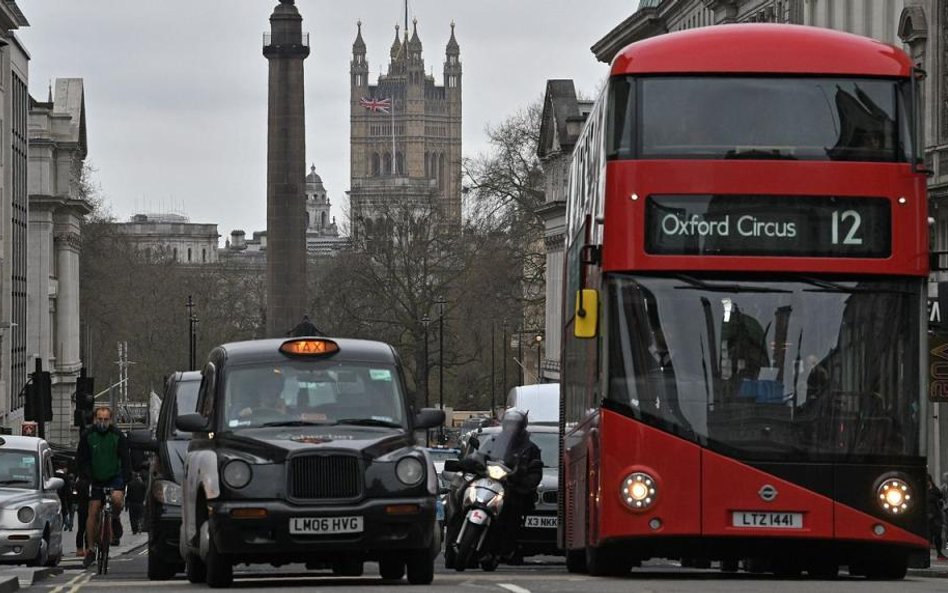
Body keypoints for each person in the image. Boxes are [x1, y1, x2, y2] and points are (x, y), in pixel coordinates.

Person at [478, 408, 543, 563]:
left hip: (515, 489)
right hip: (492, 485)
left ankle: (506, 548)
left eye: (515, 425)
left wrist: (523, 481)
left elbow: (535, 472)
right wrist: (475, 464)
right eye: (509, 424)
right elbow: (482, 455)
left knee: (511, 512)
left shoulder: (530, 448)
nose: (511, 428)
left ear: (521, 426)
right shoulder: (494, 441)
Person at [76, 406, 132, 568]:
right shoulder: (88, 435)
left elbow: (125, 458)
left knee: (116, 500)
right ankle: (91, 548)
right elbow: (82, 459)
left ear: (111, 420)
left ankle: (114, 518)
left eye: (105, 419)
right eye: (99, 419)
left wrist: (126, 478)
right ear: (94, 419)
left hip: (115, 476)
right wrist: (86, 477)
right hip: (95, 478)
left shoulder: (118, 436)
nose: (102, 422)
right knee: (93, 511)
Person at [928, 474, 946, 560]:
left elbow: (939, 495)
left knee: (938, 534)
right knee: (928, 534)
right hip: (927, 515)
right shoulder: (923, 490)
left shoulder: (934, 489)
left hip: (936, 515)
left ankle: (939, 553)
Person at [73, 472, 90, 557]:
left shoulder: (78, 483)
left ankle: (79, 549)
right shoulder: (90, 483)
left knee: (81, 529)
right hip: (89, 506)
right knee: (88, 528)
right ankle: (87, 548)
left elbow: (74, 494)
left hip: (81, 506)